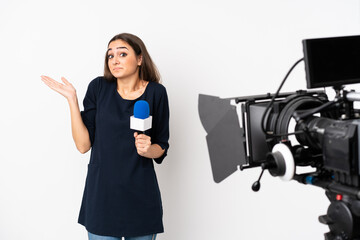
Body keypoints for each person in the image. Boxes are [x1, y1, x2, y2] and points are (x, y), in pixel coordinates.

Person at [41, 33, 169, 240]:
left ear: (139, 59)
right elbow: (83, 146)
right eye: (110, 55)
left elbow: (161, 146)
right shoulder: (98, 88)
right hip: (102, 198)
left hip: (141, 198)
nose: (114, 60)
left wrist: (148, 149)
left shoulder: (156, 93)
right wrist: (72, 101)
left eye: (122, 53)